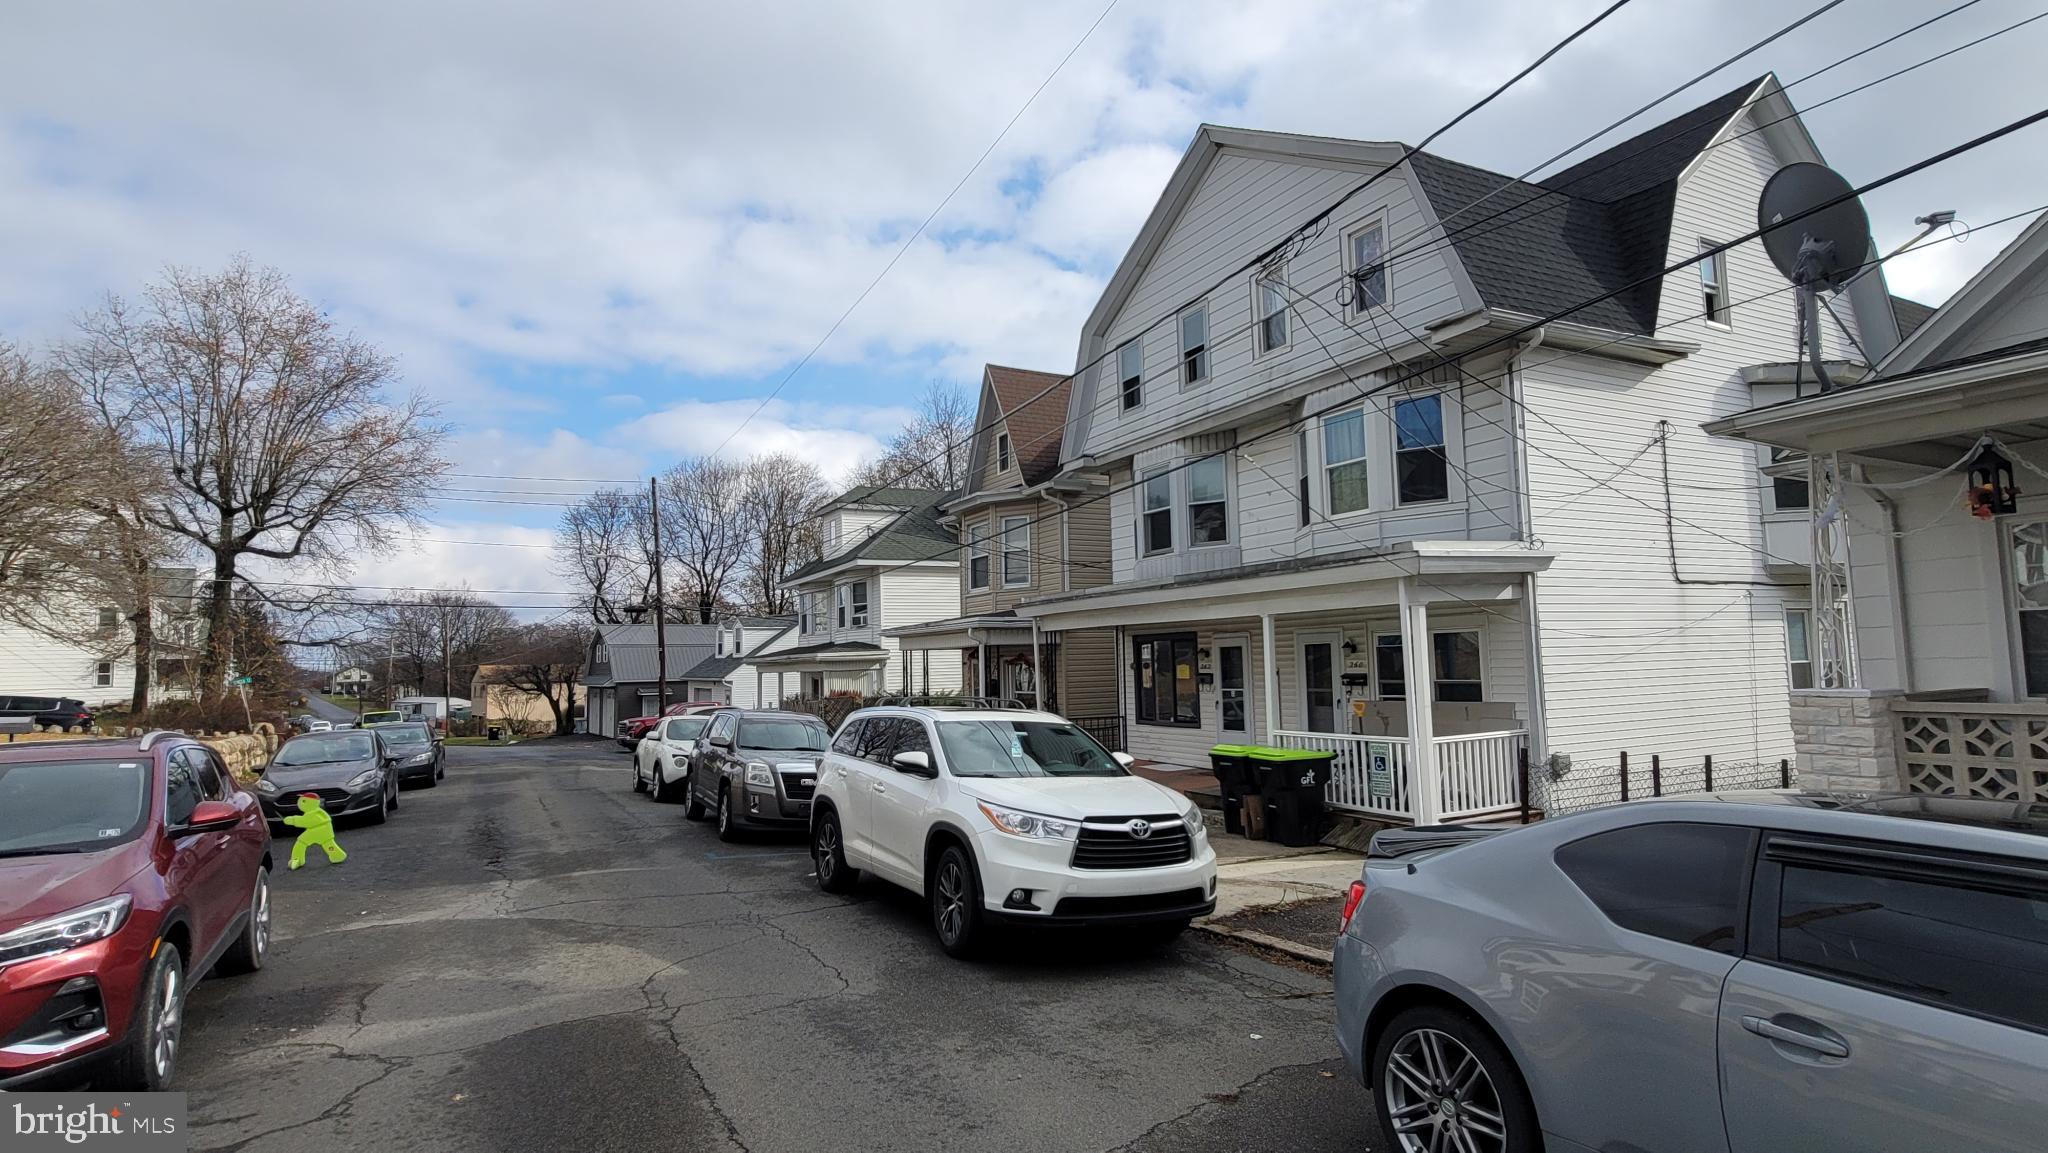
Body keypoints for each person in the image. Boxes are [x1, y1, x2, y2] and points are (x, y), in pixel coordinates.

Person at [282, 793, 347, 870]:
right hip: (321, 831)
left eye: (303, 801)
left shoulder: (314, 813)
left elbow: (306, 822)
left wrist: (293, 820)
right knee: (329, 845)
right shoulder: (318, 812)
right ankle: (338, 855)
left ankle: (297, 859)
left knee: (301, 843)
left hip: (317, 831)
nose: (299, 804)